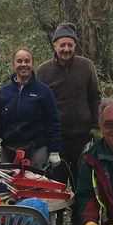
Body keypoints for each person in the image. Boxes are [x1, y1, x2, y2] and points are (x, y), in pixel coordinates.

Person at [36, 23, 101, 183]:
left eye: (70, 45)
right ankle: (60, 209)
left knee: (83, 180)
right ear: (54, 46)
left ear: (75, 46)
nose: (66, 49)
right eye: (62, 45)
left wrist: (96, 126)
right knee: (57, 182)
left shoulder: (86, 66)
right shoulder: (43, 71)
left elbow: (95, 97)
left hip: (83, 135)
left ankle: (82, 209)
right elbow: (38, 104)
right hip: (57, 138)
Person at [0, 47, 61, 169]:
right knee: (8, 186)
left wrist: (54, 151)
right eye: (19, 61)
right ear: (13, 64)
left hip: (36, 150)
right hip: (9, 150)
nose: (23, 65)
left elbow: (53, 121)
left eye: (27, 61)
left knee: (34, 186)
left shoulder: (44, 91)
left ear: (32, 64)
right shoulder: (4, 92)